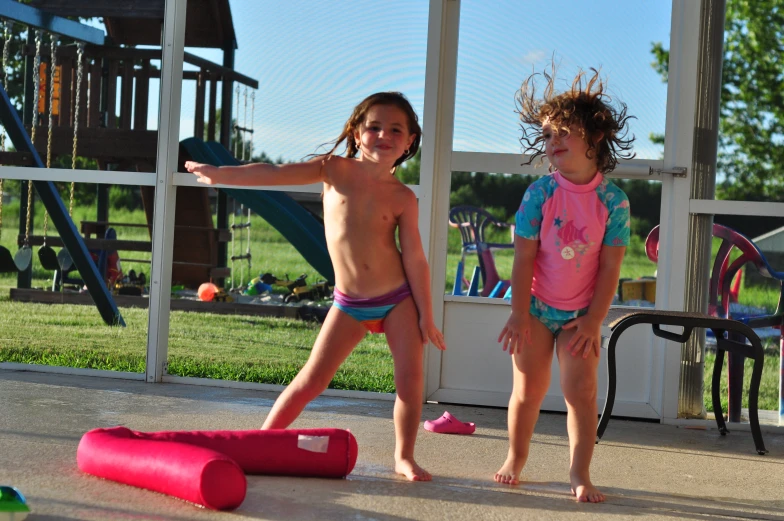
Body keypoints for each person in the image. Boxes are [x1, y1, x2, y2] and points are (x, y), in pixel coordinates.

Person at [185, 92, 447, 482]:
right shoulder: (334, 170)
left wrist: (426, 315)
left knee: (411, 381)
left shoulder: (403, 198)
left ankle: (404, 457)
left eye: (395, 129)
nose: (383, 135)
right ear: (357, 134)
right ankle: (261, 442)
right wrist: (223, 174)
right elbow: (274, 174)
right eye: (374, 126)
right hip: (350, 303)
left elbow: (415, 260)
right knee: (312, 379)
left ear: (409, 142)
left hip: (397, 301)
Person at [495, 67, 634, 502]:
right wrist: (519, 313)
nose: (553, 142)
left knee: (582, 393)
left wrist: (595, 320)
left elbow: (611, 268)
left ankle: (579, 472)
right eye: (548, 135)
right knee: (528, 391)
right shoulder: (539, 194)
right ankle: (516, 457)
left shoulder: (613, 202)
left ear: (594, 137)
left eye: (563, 133)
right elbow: (523, 257)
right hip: (535, 308)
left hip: (581, 317)